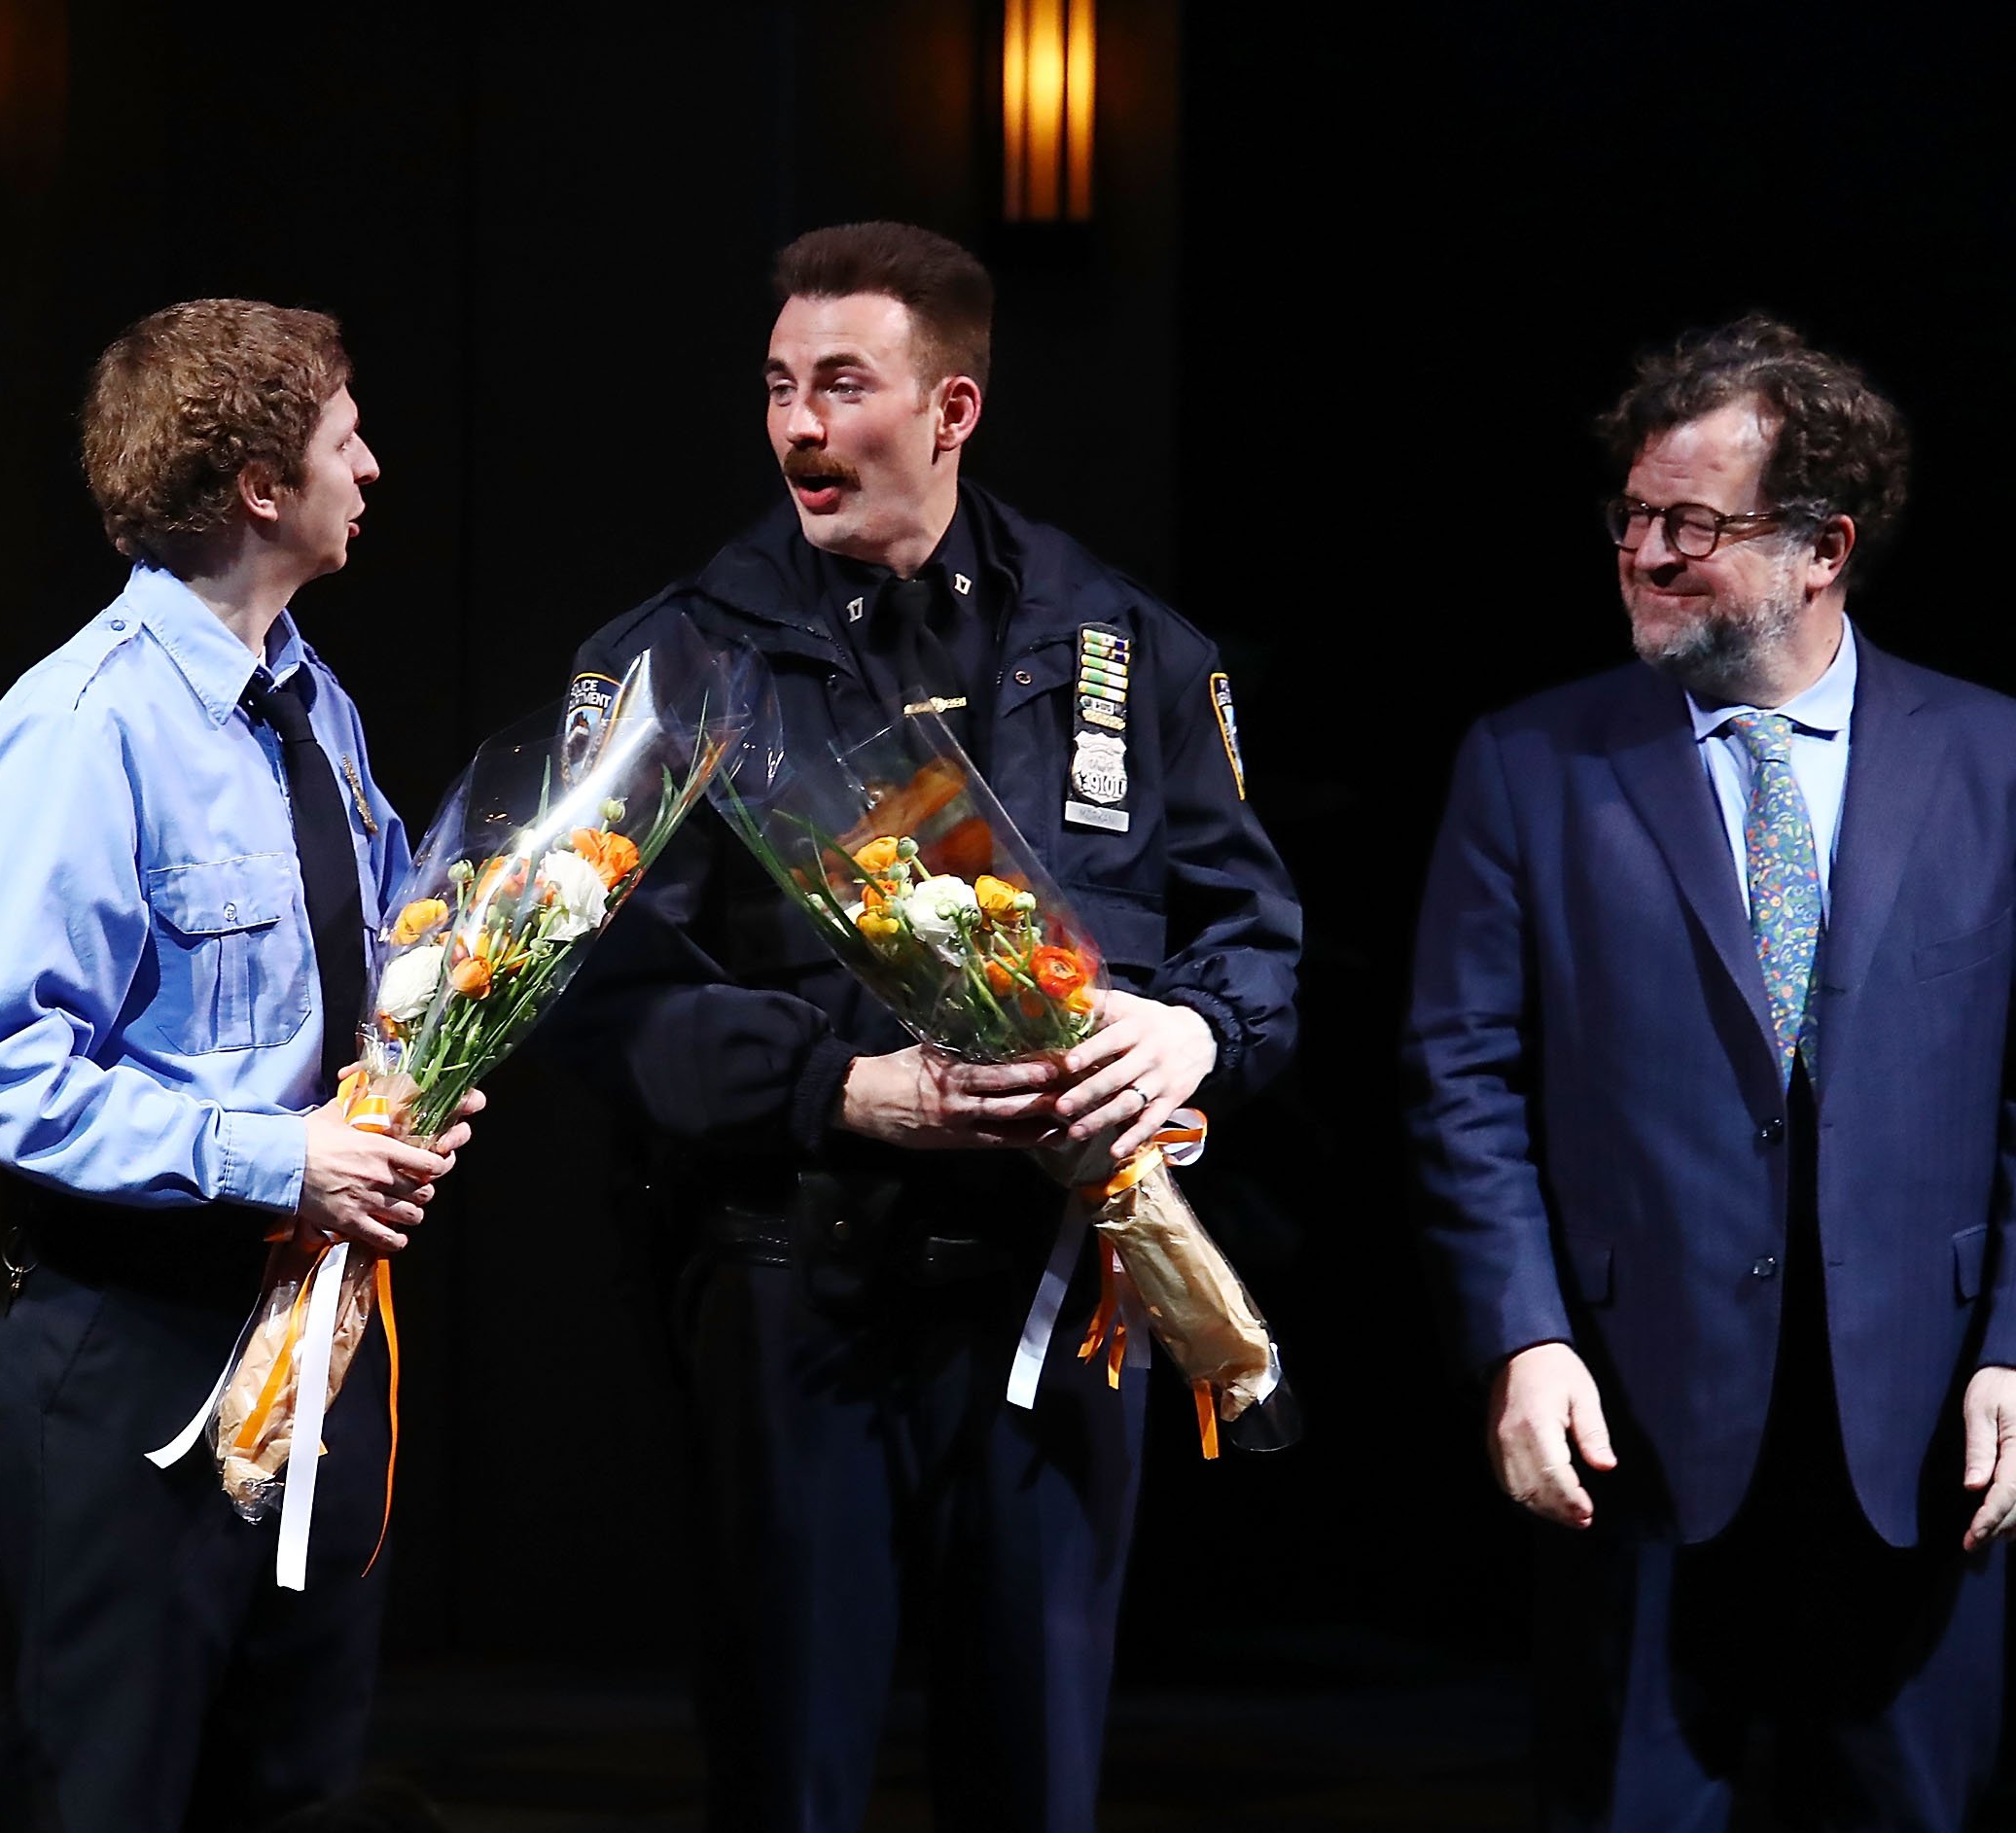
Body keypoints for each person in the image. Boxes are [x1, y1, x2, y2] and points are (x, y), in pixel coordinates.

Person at [559, 222, 1301, 1830]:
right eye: (776, 387)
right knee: (792, 1772)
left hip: (1055, 1296)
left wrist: (1191, 1040)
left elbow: (1254, 939)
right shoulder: (683, 658)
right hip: (794, 1288)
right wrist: (843, 1090)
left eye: (842, 385)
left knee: (1037, 1774)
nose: (797, 427)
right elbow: (600, 998)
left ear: (952, 410)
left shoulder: (1119, 647)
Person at [1405, 316, 2016, 1828]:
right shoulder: (1530, 762)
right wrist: (1519, 1335)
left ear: (1823, 548)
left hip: (1925, 1429)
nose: (1647, 552)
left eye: (1694, 524)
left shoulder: (1994, 759)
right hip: (1637, 1426)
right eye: (1632, 517)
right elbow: (1458, 1077)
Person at [0, 299, 479, 1833]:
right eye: (342, 433)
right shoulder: (85, 726)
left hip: (313, 1330)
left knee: (295, 1790)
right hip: (137, 1348)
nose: (368, 463)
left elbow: (356, 972)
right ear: (256, 481)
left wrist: (411, 1080)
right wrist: (281, 1153)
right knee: (115, 1794)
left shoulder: (316, 703)